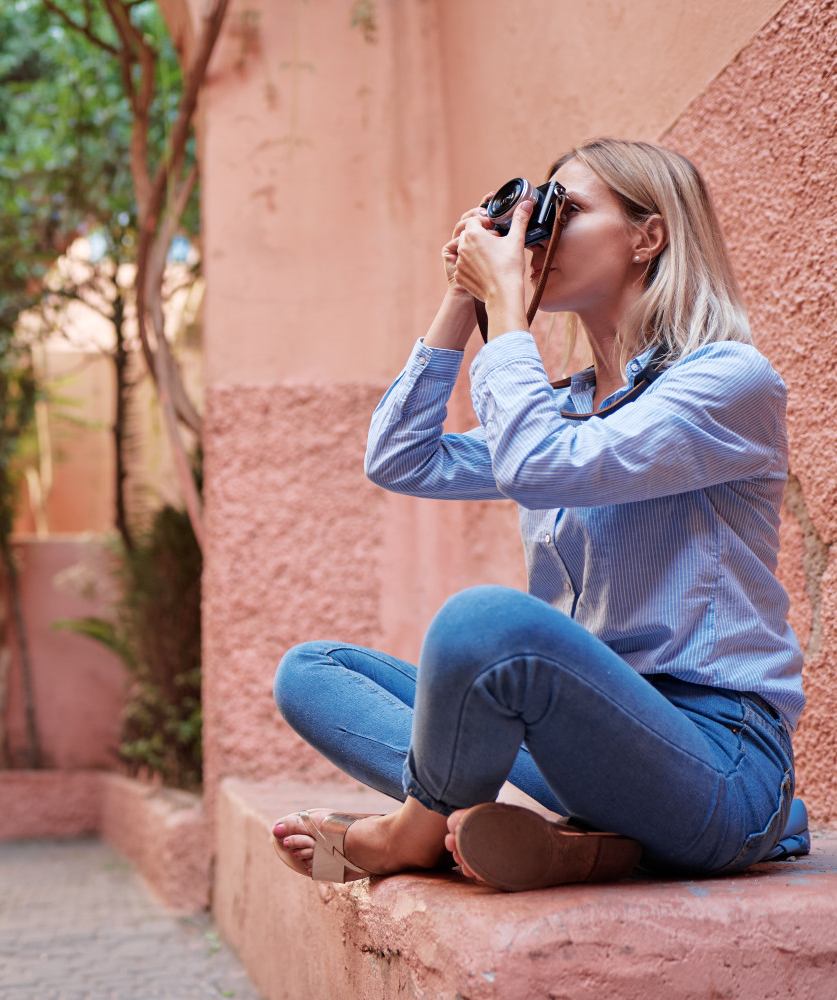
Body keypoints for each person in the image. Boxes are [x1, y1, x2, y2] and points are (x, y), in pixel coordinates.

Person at [269, 138, 810, 893]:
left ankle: (412, 834)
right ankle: (585, 843)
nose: (539, 235)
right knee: (313, 672)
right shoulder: (563, 408)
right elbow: (400, 458)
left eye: (568, 212)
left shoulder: (726, 381)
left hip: (720, 760)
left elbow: (541, 465)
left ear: (648, 237)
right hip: (590, 747)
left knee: (486, 625)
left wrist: (505, 310)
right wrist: (464, 294)